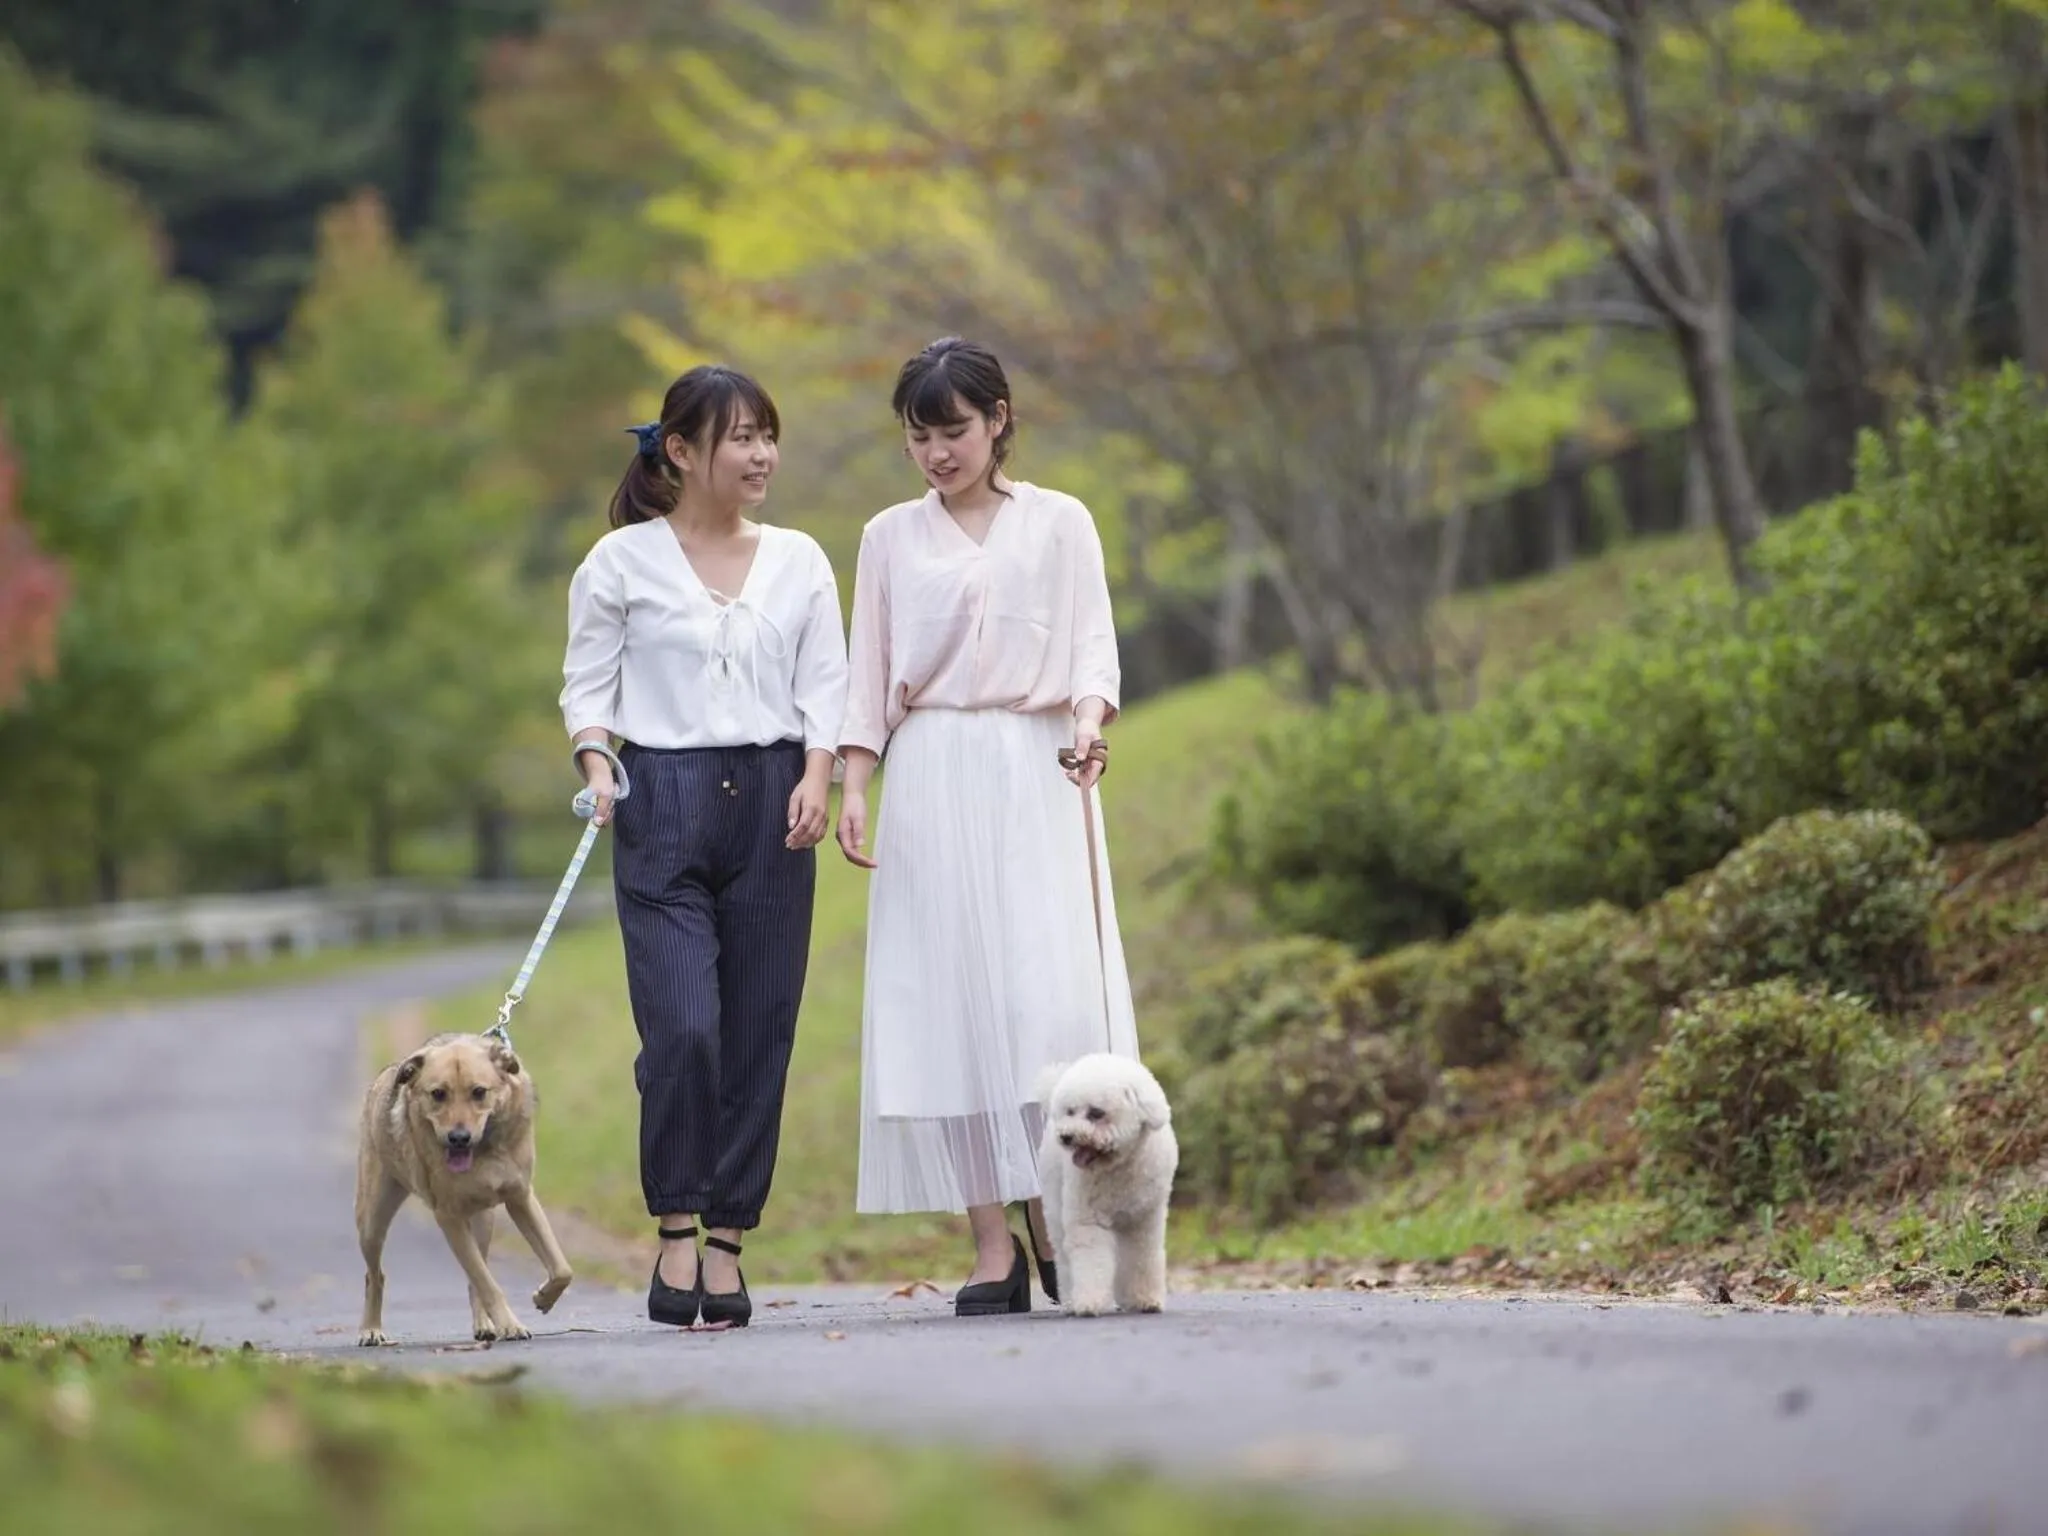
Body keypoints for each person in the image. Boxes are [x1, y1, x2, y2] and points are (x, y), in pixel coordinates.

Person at [836, 337, 1141, 1316]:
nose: (936, 453)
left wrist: (1088, 723)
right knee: (949, 1000)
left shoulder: (1059, 523)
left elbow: (1092, 644)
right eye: (917, 436)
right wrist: (852, 782)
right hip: (929, 770)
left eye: (954, 430)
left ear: (999, 419)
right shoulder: (887, 536)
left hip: (1033, 764)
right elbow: (865, 671)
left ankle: (1058, 1209)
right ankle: (988, 1242)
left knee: (1041, 998)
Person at [560, 364, 847, 1329]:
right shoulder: (619, 565)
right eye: (740, 437)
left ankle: (726, 1243)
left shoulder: (802, 559)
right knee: (683, 1029)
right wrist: (597, 764)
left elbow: (827, 686)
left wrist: (817, 775)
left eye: (769, 434)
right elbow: (587, 692)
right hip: (661, 804)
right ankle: (674, 1228)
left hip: (774, 800)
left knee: (760, 1029)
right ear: (681, 451)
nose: (762, 454)